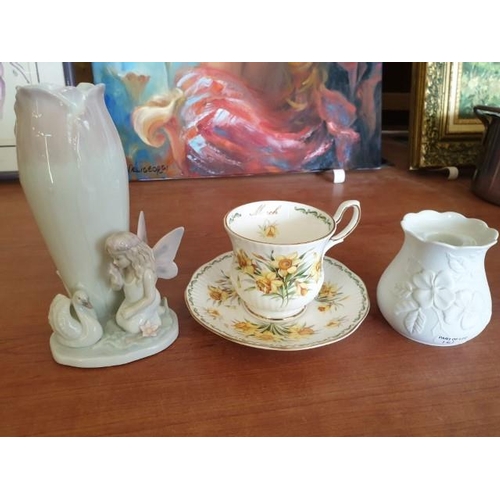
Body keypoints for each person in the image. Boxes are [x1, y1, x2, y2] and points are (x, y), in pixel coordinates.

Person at [105, 231, 162, 336]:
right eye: (113, 258)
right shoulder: (123, 270)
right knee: (119, 320)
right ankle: (149, 315)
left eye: (118, 258)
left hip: (147, 301)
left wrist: (132, 310)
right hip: (130, 301)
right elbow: (117, 288)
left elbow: (149, 297)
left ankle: (153, 316)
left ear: (131, 255)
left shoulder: (146, 274)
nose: (114, 262)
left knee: (132, 328)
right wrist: (115, 279)